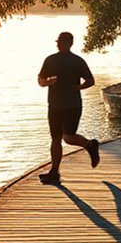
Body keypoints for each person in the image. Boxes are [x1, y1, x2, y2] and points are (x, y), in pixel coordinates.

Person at [37, 31, 100, 185]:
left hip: (69, 105)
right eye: (58, 41)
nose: (58, 44)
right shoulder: (53, 60)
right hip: (58, 105)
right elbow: (40, 80)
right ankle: (54, 172)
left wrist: (77, 87)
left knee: (66, 137)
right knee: (57, 138)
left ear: (69, 43)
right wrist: (48, 82)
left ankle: (89, 145)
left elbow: (91, 80)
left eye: (61, 42)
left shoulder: (75, 61)